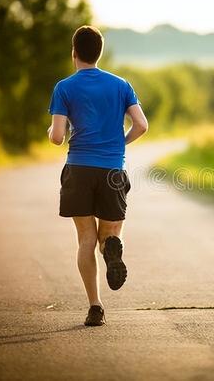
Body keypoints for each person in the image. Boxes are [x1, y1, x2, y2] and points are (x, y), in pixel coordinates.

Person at [47, 25, 148, 326]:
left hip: (79, 169)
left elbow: (56, 137)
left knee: (85, 240)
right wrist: (120, 143)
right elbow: (141, 125)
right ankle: (112, 249)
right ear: (99, 53)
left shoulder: (64, 87)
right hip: (112, 169)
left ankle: (96, 307)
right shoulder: (121, 85)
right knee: (108, 235)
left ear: (74, 52)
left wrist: (51, 132)